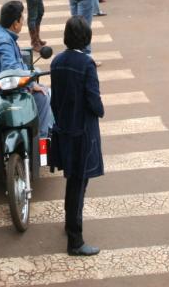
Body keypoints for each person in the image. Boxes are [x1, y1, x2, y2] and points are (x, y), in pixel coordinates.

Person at [49, 17, 104, 257]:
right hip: (82, 132)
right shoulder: (86, 64)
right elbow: (93, 99)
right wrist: (100, 110)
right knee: (78, 184)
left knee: (73, 181)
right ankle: (75, 240)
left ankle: (70, 225)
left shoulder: (57, 61)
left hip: (64, 129)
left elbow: (55, 97)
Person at [0, 1, 52, 137]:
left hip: (0, 91)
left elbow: (18, 65)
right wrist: (32, 84)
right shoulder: (4, 41)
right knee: (44, 96)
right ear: (15, 23)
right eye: (22, 20)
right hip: (3, 95)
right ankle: (42, 140)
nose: (22, 23)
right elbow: (12, 70)